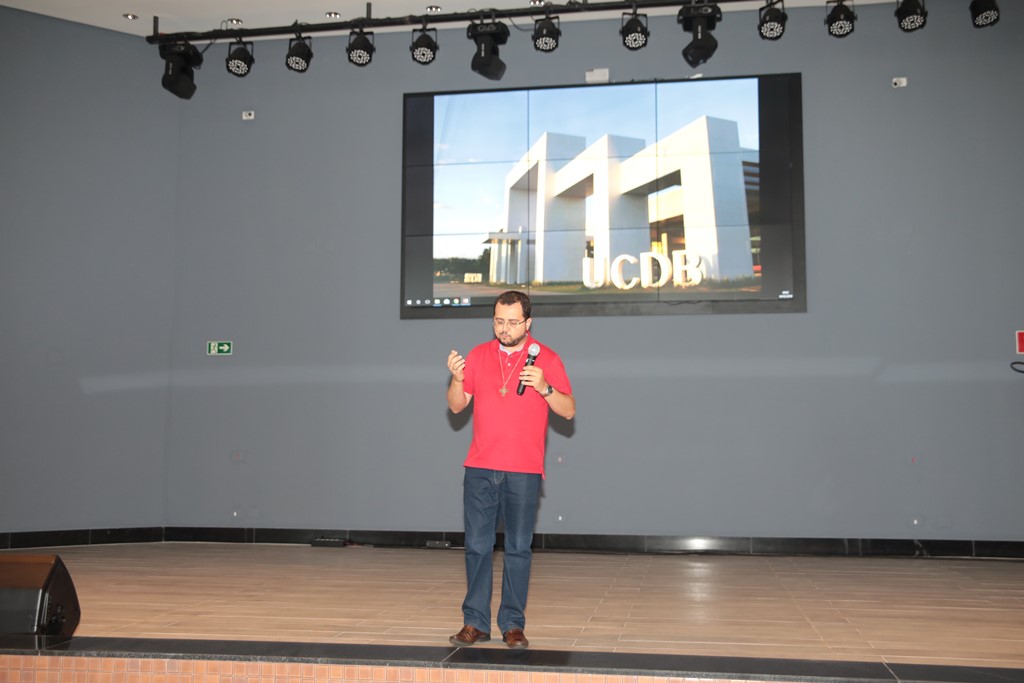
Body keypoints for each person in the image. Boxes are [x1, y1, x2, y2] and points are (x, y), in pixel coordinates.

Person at [446, 290, 576, 650]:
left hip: (523, 469)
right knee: (477, 547)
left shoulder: (547, 358)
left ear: (528, 322)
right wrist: (456, 379)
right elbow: (457, 407)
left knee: (518, 548)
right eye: (499, 321)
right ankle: (475, 622)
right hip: (480, 468)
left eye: (513, 322)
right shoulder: (478, 355)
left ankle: (513, 624)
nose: (505, 329)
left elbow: (568, 410)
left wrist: (545, 387)